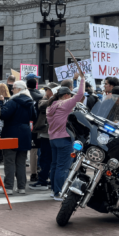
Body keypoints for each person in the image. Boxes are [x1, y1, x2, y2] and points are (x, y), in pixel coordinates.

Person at [47, 71, 85, 201]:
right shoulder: (65, 104)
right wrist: (82, 80)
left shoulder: (52, 105)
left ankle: (54, 190)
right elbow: (80, 94)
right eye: (70, 95)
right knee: (63, 167)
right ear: (67, 95)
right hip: (64, 138)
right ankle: (59, 192)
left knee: (55, 165)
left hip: (53, 138)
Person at [0, 81, 36, 195]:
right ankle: (21, 187)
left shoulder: (13, 101)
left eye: (14, 88)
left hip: (11, 132)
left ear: (19, 89)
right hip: (25, 133)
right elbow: (34, 117)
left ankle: (9, 187)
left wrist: (1, 104)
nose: (12, 90)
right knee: (21, 162)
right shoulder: (30, 102)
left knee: (9, 161)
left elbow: (3, 114)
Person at [29, 85, 53, 191]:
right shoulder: (46, 100)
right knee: (47, 157)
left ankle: (43, 180)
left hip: (48, 133)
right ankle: (46, 179)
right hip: (47, 133)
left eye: (47, 90)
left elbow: (41, 105)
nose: (45, 91)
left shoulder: (51, 102)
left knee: (46, 157)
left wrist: (53, 98)